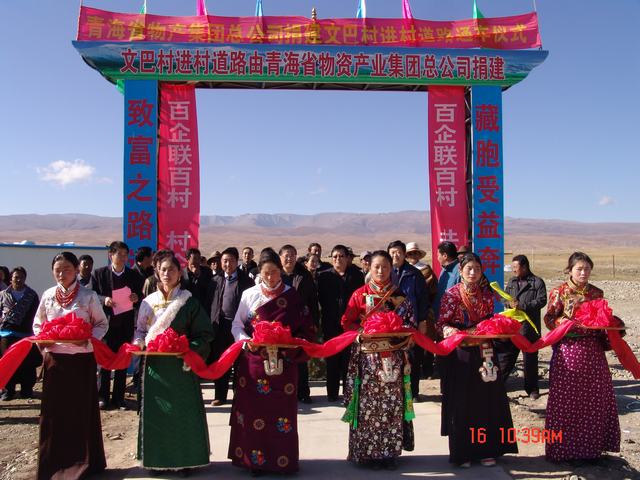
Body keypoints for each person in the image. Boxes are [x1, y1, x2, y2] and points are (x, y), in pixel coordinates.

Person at [228, 248, 314, 475]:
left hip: (285, 366)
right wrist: (246, 341)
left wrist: (293, 343)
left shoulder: (292, 296)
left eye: (274, 272)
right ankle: (255, 463)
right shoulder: (250, 295)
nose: (270, 277)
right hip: (254, 364)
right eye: (266, 273)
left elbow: (306, 327)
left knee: (282, 415)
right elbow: (237, 325)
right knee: (254, 413)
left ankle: (282, 462)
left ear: (280, 271)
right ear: (260, 272)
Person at [134, 251, 214, 475]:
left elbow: (205, 334)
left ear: (180, 273)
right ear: (156, 273)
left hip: (181, 368)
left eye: (171, 269)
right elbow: (140, 331)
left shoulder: (189, 302)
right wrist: (139, 343)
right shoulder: (148, 302)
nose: (167, 273)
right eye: (162, 269)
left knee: (182, 413)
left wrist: (188, 350)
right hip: (155, 368)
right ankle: (156, 461)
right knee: (157, 414)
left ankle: (185, 460)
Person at [437, 253, 517, 468]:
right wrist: (453, 331)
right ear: (461, 271)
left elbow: (489, 320)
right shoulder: (451, 295)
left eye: (477, 269)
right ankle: (463, 452)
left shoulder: (487, 296)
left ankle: (486, 450)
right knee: (462, 401)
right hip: (461, 353)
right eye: (469, 269)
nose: (473, 273)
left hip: (485, 351)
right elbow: (441, 323)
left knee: (486, 400)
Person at [33, 252, 108, 479]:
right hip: (55, 362)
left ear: (76, 270)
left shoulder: (88, 296)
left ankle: (84, 463)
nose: (62, 274)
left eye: (66, 269)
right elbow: (38, 324)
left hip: (81, 361)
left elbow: (101, 324)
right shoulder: (48, 295)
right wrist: (43, 342)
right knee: (54, 414)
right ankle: (53, 464)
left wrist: (86, 341)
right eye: (57, 270)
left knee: (80, 411)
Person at [341, 250, 415, 470]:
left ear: (391, 269)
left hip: (393, 357)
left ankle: (389, 453)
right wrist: (361, 333)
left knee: (392, 405)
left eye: (385, 267)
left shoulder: (400, 295)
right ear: (369, 268)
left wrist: (400, 334)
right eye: (376, 267)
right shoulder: (359, 295)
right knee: (368, 407)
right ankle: (367, 453)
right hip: (367, 359)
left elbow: (410, 323)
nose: (381, 271)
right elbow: (347, 322)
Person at [543, 252, 620, 463]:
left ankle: (591, 450)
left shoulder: (596, 293)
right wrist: (565, 324)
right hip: (568, 351)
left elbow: (602, 319)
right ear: (570, 270)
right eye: (579, 269)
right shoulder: (559, 292)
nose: (583, 273)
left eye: (587, 269)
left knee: (594, 400)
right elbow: (549, 319)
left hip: (593, 353)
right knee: (566, 402)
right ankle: (562, 452)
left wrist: (612, 326)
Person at [92, 241, 143, 410]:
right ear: (111, 255)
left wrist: (136, 298)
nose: (122, 257)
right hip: (106, 325)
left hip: (125, 324)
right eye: (119, 254)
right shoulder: (99, 274)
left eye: (125, 254)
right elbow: (92, 295)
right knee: (104, 362)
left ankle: (119, 398)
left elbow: (141, 297)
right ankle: (102, 397)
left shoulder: (134, 275)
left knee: (122, 361)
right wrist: (104, 299)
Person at [495, 255, 547, 399]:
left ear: (524, 267)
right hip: (512, 327)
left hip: (529, 328)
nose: (513, 270)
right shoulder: (512, 281)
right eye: (512, 267)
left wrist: (522, 306)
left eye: (515, 267)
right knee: (506, 357)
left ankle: (532, 389)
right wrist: (508, 303)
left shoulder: (537, 282)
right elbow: (504, 298)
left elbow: (542, 301)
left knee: (530, 360)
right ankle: (498, 385)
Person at [317, 245, 364, 402]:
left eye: (341, 256)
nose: (338, 259)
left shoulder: (356, 276)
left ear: (347, 258)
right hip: (330, 324)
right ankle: (332, 393)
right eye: (335, 256)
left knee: (348, 360)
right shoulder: (324, 276)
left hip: (350, 325)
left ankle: (348, 394)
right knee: (332, 359)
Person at [208, 247, 254, 406]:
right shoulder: (215, 281)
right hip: (220, 326)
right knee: (221, 361)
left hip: (239, 327)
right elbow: (210, 304)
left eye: (231, 261)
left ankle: (238, 395)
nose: (228, 264)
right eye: (225, 261)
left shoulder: (246, 281)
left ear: (237, 261)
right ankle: (220, 396)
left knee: (240, 363)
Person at [387, 240, 431, 400]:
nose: (395, 255)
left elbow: (423, 299)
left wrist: (422, 321)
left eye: (398, 252)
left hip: (411, 323)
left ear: (404, 254)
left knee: (412, 358)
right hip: (390, 325)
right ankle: (395, 392)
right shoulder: (385, 273)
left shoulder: (414, 274)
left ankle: (413, 392)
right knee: (392, 357)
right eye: (392, 252)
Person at [279, 244, 319, 404]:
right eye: (286, 255)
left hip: (301, 323)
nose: (289, 258)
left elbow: (313, 300)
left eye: (292, 255)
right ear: (280, 258)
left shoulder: (304, 275)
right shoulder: (276, 275)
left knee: (300, 358)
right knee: (282, 359)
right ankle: (283, 392)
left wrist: (315, 321)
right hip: (280, 324)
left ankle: (303, 392)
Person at [0, 267, 40, 400]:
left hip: (25, 335)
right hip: (7, 335)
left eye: (21, 277)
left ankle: (26, 390)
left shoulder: (32, 295)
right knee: (8, 363)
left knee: (27, 364)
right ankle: (8, 390)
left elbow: (37, 315)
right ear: (11, 278)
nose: (18, 280)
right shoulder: (3, 295)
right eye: (16, 277)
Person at [434, 241, 460, 319]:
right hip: (441, 316)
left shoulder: (460, 271)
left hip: (453, 318)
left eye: (438, 255)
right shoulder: (444, 270)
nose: (437, 258)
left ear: (445, 256)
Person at [182, 248, 214, 314]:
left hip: (204, 308)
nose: (197, 261)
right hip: (188, 309)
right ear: (187, 259)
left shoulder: (207, 271)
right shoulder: (182, 274)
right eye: (194, 258)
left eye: (198, 258)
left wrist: (199, 276)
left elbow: (210, 288)